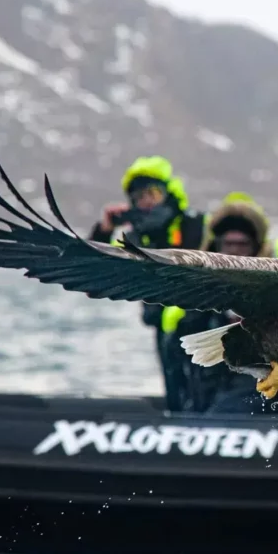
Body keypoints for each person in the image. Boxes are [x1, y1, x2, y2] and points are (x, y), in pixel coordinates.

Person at [88, 156, 207, 410]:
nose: (147, 201)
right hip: (161, 323)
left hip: (202, 320)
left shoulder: (194, 224)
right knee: (174, 386)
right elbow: (95, 276)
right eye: (139, 197)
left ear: (168, 192)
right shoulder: (134, 237)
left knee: (203, 385)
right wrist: (104, 230)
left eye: (153, 193)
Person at [160, 193, 278, 414]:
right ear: (216, 246)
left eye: (242, 245)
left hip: (254, 400)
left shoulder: (276, 296)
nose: (234, 251)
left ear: (256, 248)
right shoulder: (197, 296)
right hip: (205, 394)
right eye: (228, 244)